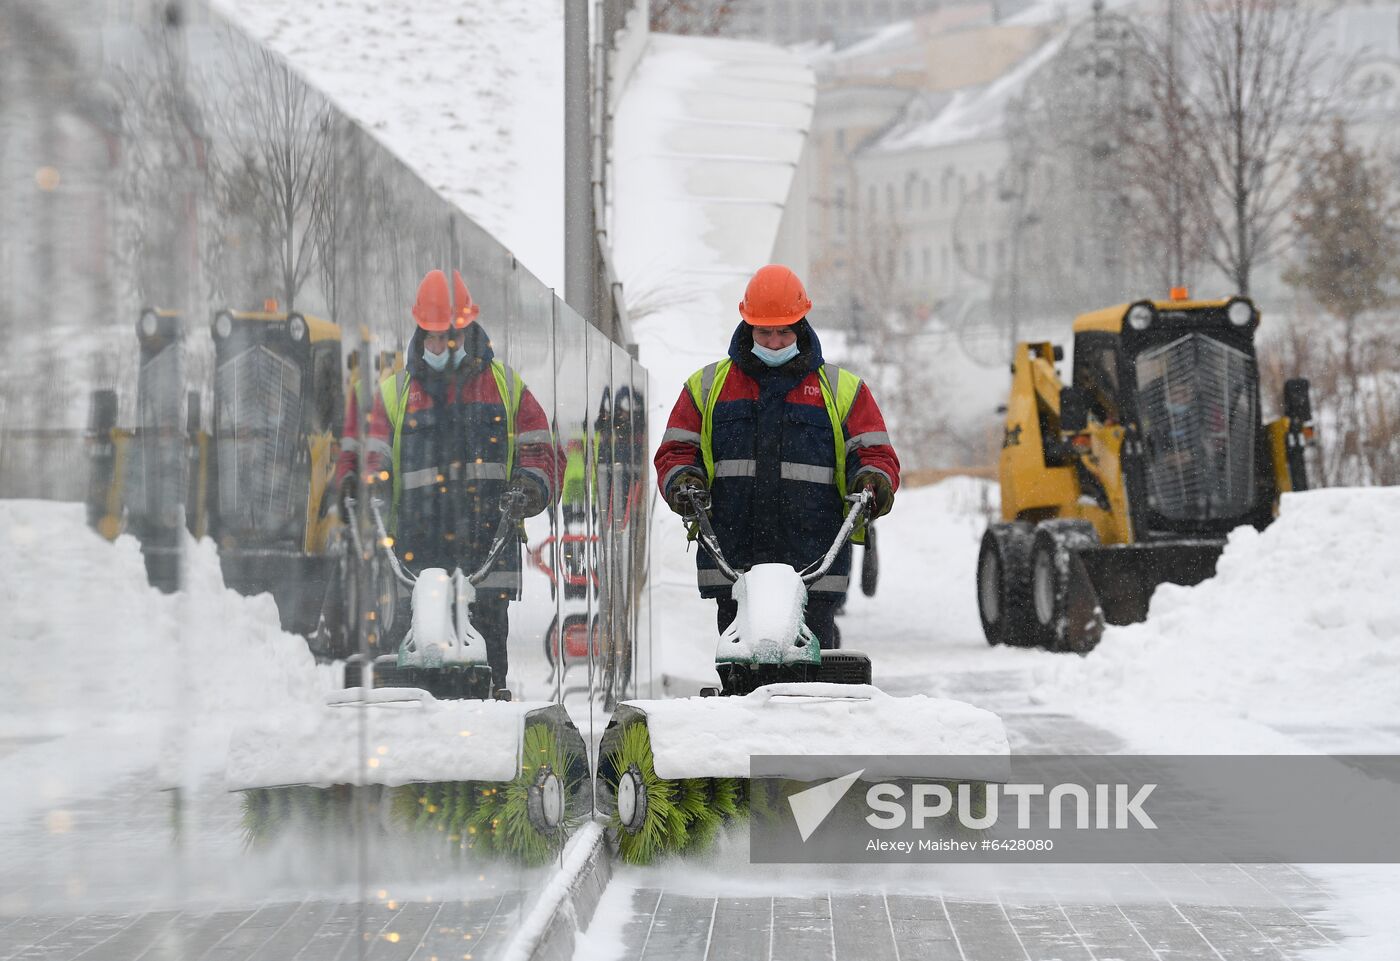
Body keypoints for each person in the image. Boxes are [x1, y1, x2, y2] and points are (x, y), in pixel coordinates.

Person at [654, 264, 900, 649]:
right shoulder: (706, 388)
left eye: (783, 330)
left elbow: (875, 454)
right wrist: (684, 482)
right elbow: (676, 451)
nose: (773, 341)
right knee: (738, 667)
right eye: (764, 331)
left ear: (801, 326)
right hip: (734, 562)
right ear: (747, 327)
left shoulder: (841, 390)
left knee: (813, 670)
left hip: (814, 563)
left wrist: (872, 481)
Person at [334, 268, 557, 692]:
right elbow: (369, 454)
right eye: (433, 336)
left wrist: (530, 484)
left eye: (449, 336)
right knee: (411, 674)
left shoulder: (506, 388)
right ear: (420, 331)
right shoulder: (395, 393)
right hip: (415, 564)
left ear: (468, 328)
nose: (440, 346)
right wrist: (366, 487)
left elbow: (539, 448)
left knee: (487, 675)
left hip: (488, 560)